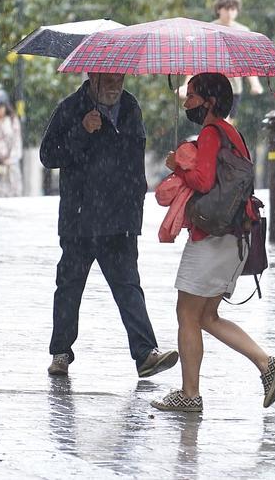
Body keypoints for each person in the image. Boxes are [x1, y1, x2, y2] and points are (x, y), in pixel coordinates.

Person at [152, 72, 275, 412]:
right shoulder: (233, 134)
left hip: (211, 238)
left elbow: (202, 179)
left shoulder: (211, 134)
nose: (186, 103)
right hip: (233, 237)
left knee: (186, 313)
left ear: (209, 101)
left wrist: (177, 166)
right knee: (207, 317)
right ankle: (266, 364)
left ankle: (189, 394)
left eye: (192, 96)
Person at [39, 72, 178, 380]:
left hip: (120, 219)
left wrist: (135, 207)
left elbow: (133, 160)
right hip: (80, 218)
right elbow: (48, 155)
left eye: (120, 78)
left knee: (128, 286)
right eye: (109, 79)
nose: (116, 85)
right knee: (70, 286)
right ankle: (60, 353)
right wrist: (82, 131)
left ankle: (145, 354)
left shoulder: (131, 107)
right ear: (92, 76)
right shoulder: (70, 108)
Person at [175, 0, 264, 121]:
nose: (230, 13)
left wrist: (255, 83)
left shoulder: (243, 31)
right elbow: (198, 58)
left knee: (227, 123)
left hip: (234, 87)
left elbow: (247, 61)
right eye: (226, 9)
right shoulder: (208, 29)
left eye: (233, 9)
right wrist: (186, 85)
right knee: (217, 120)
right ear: (219, 9)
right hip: (213, 85)